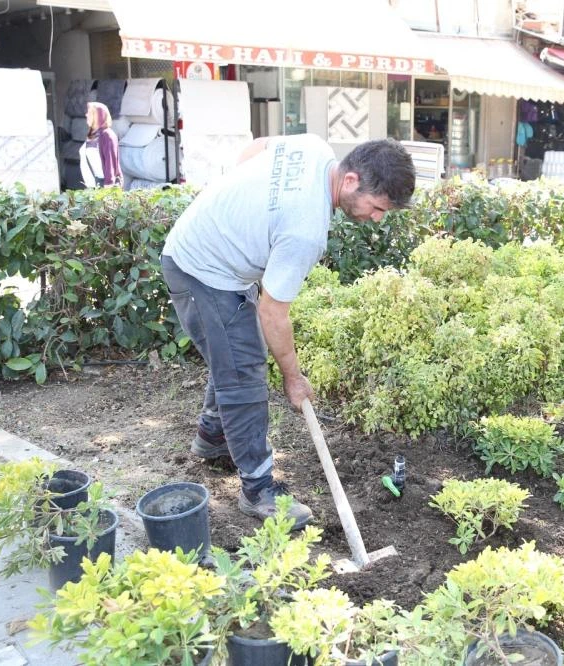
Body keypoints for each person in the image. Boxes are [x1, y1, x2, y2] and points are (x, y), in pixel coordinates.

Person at [161, 136, 416, 530]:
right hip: (202, 270)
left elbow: (252, 150)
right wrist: (294, 379)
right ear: (350, 180)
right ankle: (258, 490)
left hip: (209, 255)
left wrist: (244, 215)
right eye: (378, 207)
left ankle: (213, 437)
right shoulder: (305, 229)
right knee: (244, 374)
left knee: (232, 352)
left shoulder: (314, 148)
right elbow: (273, 311)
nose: (377, 218)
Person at [82, 102, 122, 187]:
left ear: (98, 116)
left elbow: (110, 162)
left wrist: (108, 187)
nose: (86, 115)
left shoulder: (107, 135)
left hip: (107, 186)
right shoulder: (92, 135)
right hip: (97, 183)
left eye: (89, 113)